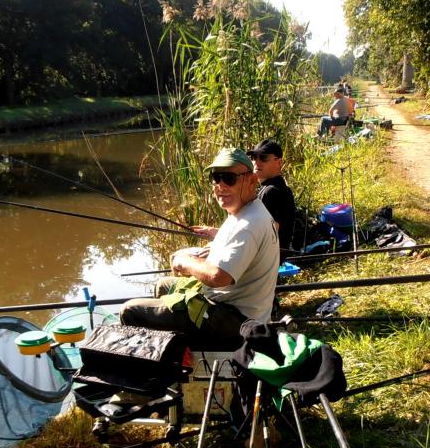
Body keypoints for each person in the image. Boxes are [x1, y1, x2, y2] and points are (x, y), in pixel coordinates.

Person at [120, 148, 280, 348]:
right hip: (236, 307)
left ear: (251, 181)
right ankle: (176, 350)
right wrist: (206, 252)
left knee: (130, 311)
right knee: (163, 285)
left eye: (229, 178)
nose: (221, 185)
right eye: (216, 178)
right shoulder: (246, 211)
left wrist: (185, 261)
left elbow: (218, 277)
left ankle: (156, 373)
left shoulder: (248, 225)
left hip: (237, 322)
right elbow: (234, 252)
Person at [194, 139, 297, 252]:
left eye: (263, 158)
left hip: (267, 255)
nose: (256, 162)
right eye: (253, 158)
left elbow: (262, 235)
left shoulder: (272, 191)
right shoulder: (276, 187)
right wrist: (214, 231)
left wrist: (217, 247)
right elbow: (252, 232)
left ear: (279, 163)